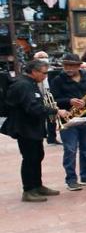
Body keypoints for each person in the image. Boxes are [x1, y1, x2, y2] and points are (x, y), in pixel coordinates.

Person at [3, 60, 69, 201]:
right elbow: (32, 107)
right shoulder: (23, 85)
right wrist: (55, 111)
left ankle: (37, 185)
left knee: (38, 156)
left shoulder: (31, 83)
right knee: (30, 158)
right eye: (44, 73)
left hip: (33, 127)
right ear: (34, 72)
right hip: (25, 128)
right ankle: (28, 190)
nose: (46, 76)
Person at [49, 53, 86, 190]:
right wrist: (69, 101)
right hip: (69, 119)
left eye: (71, 65)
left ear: (78, 66)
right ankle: (71, 179)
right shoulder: (57, 80)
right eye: (65, 65)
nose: (68, 68)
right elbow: (53, 100)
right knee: (70, 150)